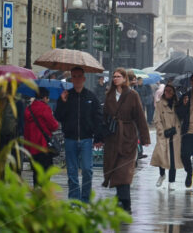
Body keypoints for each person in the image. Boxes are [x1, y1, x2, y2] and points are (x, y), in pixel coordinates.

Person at [102, 68, 151, 212]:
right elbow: (104, 116)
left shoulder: (132, 95)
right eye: (114, 76)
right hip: (112, 137)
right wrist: (101, 134)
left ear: (124, 78)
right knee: (115, 170)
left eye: (118, 76)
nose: (115, 78)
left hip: (128, 136)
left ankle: (126, 203)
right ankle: (120, 200)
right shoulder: (109, 95)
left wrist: (145, 138)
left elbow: (140, 117)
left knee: (124, 171)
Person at [55, 67, 102, 203]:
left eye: (79, 76)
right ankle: (74, 200)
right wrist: (62, 102)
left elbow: (98, 117)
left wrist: (98, 137)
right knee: (72, 172)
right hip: (70, 139)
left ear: (84, 78)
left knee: (87, 170)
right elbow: (58, 116)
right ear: (71, 78)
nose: (76, 79)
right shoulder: (66, 96)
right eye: (74, 76)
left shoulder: (91, 96)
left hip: (87, 139)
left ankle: (85, 200)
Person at [151, 84, 183, 191]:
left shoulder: (178, 104)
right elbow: (157, 119)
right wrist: (161, 131)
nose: (167, 93)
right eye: (166, 91)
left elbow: (182, 117)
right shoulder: (160, 104)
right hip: (164, 134)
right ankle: (162, 174)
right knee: (161, 156)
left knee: (173, 159)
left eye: (170, 91)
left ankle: (172, 181)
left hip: (175, 134)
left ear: (173, 92)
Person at [24, 87, 59, 186]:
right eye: (48, 98)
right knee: (46, 169)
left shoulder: (28, 109)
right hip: (43, 145)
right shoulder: (45, 108)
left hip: (31, 146)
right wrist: (56, 123)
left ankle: (36, 190)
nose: (48, 100)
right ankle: (44, 191)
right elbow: (53, 126)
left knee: (36, 170)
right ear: (44, 97)